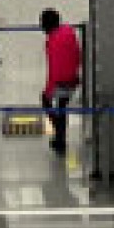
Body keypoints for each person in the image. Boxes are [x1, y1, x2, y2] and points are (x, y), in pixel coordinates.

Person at [40, 9, 82, 156]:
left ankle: (60, 137)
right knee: (62, 107)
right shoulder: (69, 32)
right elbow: (78, 55)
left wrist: (48, 90)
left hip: (61, 81)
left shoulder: (52, 41)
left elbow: (54, 70)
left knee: (47, 102)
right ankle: (60, 139)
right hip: (73, 78)